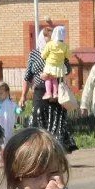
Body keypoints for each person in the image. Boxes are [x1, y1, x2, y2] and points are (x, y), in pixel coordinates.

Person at [21, 25, 76, 155]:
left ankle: (56, 154)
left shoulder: (60, 50)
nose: (50, 42)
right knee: (39, 120)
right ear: (42, 38)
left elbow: (68, 69)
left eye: (52, 39)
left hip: (57, 94)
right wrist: (23, 95)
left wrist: (51, 74)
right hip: (40, 92)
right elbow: (27, 76)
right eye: (47, 39)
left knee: (56, 121)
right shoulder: (34, 54)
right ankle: (39, 152)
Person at [40, 26, 70, 99]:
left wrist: (44, 56)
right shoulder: (65, 46)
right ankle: (55, 93)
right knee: (54, 80)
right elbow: (68, 55)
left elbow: (43, 55)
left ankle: (48, 93)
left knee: (47, 79)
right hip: (59, 67)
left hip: (49, 66)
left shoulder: (49, 44)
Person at [0, 83, 19, 154]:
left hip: (8, 127)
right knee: (1, 144)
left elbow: (16, 110)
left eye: (1, 93)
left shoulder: (11, 104)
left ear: (7, 92)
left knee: (8, 143)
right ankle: (3, 158)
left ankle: (7, 157)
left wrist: (20, 109)